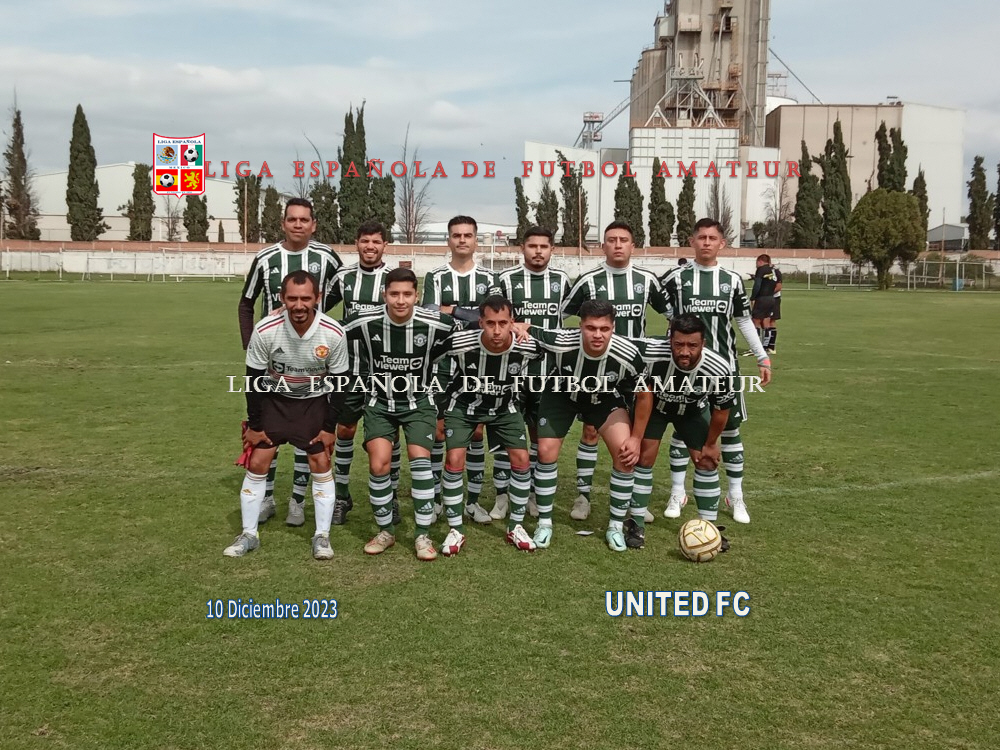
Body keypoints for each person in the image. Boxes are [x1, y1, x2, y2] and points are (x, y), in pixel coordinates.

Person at [225, 270, 349, 559]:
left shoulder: (333, 332)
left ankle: (322, 537)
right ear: (282, 297)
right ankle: (249, 534)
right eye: (292, 298)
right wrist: (255, 425)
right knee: (258, 461)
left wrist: (329, 427)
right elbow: (253, 380)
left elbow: (341, 383)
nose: (299, 305)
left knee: (320, 461)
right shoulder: (265, 329)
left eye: (306, 298)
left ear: (318, 298)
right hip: (275, 400)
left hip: (313, 402)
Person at [514, 300, 653, 552]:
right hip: (562, 396)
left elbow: (644, 395)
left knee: (625, 455)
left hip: (603, 399)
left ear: (613, 328)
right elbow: (528, 328)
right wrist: (520, 327)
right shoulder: (561, 341)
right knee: (545, 451)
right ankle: (544, 523)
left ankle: (615, 527)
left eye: (604, 328)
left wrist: (635, 438)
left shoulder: (628, 353)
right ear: (580, 327)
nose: (597, 334)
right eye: (591, 328)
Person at [238, 198, 343, 528]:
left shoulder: (327, 256)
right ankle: (267, 498)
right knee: (267, 436)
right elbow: (246, 304)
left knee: (307, 437)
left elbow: (341, 289)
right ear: (283, 223)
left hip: (310, 357)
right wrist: (251, 347)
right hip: (273, 354)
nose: (298, 224)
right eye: (292, 219)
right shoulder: (265, 257)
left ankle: (297, 501)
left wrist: (316, 317)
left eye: (304, 220)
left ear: (313, 224)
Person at [660, 218, 771, 525]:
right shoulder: (676, 278)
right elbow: (660, 307)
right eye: (701, 237)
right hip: (684, 370)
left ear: (722, 243)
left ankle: (735, 495)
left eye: (712, 238)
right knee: (682, 428)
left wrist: (762, 357)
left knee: (730, 430)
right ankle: (677, 492)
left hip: (725, 369)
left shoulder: (731, 280)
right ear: (692, 242)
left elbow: (743, 320)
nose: (706, 242)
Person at [344, 268, 457, 561]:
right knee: (379, 465)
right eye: (394, 294)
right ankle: (386, 532)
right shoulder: (365, 321)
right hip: (379, 403)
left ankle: (422, 535)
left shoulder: (435, 323)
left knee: (420, 462)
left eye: (407, 294)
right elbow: (329, 331)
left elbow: (471, 331)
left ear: (416, 296)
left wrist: (518, 328)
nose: (401, 300)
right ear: (385, 295)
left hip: (419, 403)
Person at [561, 221, 671, 522]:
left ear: (633, 245)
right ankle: (583, 496)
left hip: (634, 370)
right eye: (611, 240)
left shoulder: (647, 280)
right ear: (603, 246)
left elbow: (673, 315)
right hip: (597, 370)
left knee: (635, 433)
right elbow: (561, 315)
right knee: (590, 430)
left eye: (624, 239)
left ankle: (633, 499)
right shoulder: (588, 281)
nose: (618, 244)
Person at [439, 296, 540, 555]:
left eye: (503, 323)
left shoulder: (527, 346)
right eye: (491, 323)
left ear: (512, 322)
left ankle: (516, 526)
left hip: (504, 407)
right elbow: (432, 357)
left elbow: (558, 344)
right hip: (464, 407)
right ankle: (455, 529)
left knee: (521, 459)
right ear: (480, 322)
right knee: (454, 458)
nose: (497, 330)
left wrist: (530, 328)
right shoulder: (460, 343)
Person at [631, 314, 738, 550]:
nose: (685, 352)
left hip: (692, 410)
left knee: (707, 461)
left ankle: (709, 529)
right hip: (655, 408)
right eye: (678, 344)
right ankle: (635, 524)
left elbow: (721, 409)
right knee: (643, 458)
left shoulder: (719, 367)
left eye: (692, 345)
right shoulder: (649, 351)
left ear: (703, 344)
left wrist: (711, 443)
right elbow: (617, 343)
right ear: (669, 340)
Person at [422, 216, 500, 524]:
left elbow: (490, 317)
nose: (462, 240)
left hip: (477, 366)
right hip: (442, 366)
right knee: (439, 431)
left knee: (476, 432)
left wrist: (452, 309)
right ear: (449, 240)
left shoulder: (489, 278)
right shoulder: (435, 276)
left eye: (468, 235)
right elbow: (431, 315)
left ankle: (473, 502)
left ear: (476, 240)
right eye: (457, 235)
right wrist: (472, 315)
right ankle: (437, 500)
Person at [324, 220, 401, 526]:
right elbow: (318, 310)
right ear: (356, 243)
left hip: (387, 370)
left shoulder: (393, 279)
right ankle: (342, 496)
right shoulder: (343, 277)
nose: (370, 246)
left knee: (389, 435)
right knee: (345, 430)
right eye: (365, 241)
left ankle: (391, 497)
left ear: (385, 245)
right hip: (350, 368)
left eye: (376, 241)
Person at [495, 226, 572, 521]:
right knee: (506, 433)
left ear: (552, 249)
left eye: (543, 246)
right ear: (522, 248)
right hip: (511, 372)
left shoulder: (562, 281)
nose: (538, 251)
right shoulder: (506, 279)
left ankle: (533, 493)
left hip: (548, 372)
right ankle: (502, 495)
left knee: (540, 436)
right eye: (532, 246)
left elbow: (568, 321)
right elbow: (495, 317)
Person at [750, 254, 783, 354]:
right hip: (770, 299)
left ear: (760, 261)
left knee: (757, 321)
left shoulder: (762, 269)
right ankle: (765, 347)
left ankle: (758, 348)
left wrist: (753, 297)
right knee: (766, 322)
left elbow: (759, 285)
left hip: (766, 298)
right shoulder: (772, 271)